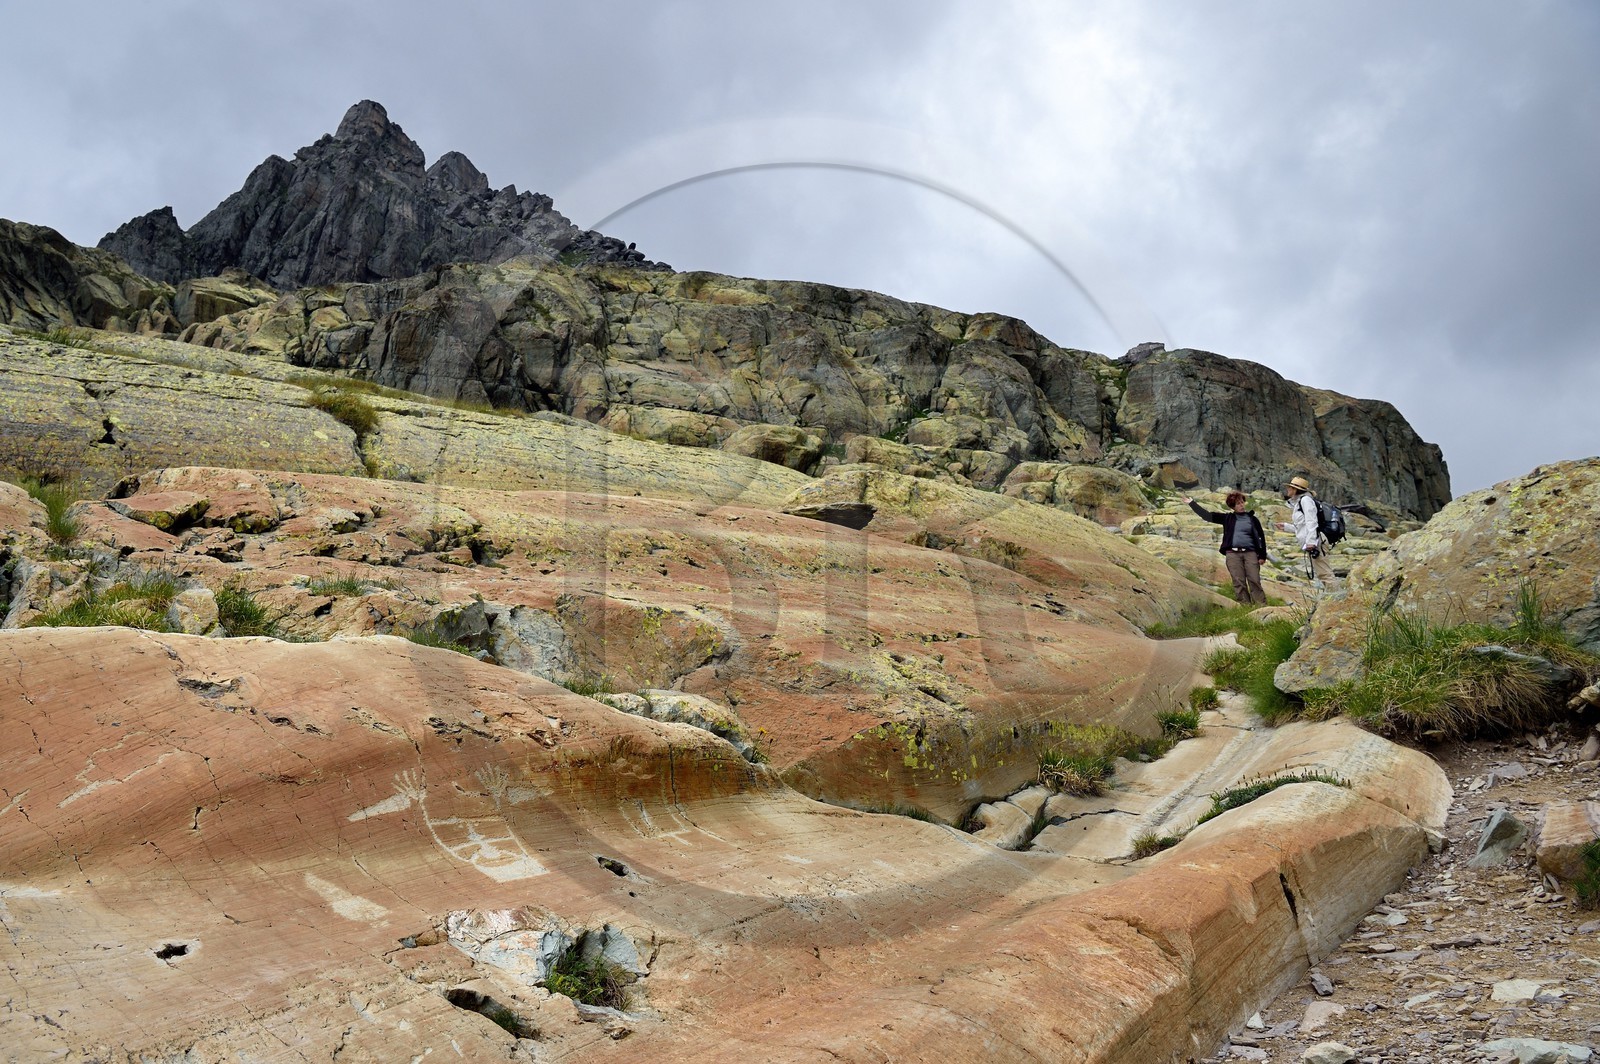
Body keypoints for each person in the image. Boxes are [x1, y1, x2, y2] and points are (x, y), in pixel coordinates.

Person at [1184, 491, 1268, 606]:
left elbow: (1261, 537)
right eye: (1238, 504)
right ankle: (1245, 606)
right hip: (1232, 554)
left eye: (1242, 502)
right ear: (1232, 506)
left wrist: (1262, 555)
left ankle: (1261, 606)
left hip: (1251, 553)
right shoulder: (1227, 518)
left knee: (1254, 579)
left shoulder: (1253, 519)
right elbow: (1207, 516)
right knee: (1238, 581)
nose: (1242, 505)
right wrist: (1192, 503)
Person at [1280, 475, 1335, 588]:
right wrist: (1286, 527)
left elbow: (1312, 522)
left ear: (1295, 490)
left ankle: (1337, 599)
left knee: (1325, 574)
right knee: (1322, 573)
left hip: (1317, 541)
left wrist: (1311, 542)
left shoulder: (1305, 501)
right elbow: (1303, 526)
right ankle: (1333, 597)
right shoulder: (1302, 501)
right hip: (1315, 541)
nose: (1288, 490)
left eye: (1290, 488)